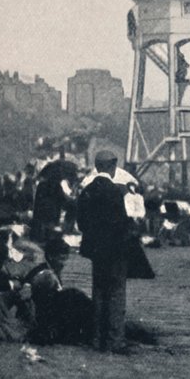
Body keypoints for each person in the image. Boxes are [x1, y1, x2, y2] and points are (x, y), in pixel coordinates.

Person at [76, 151, 134, 353]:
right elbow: (122, 222)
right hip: (115, 250)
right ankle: (115, 340)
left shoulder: (87, 191)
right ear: (113, 166)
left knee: (98, 292)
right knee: (116, 293)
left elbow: (81, 222)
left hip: (96, 250)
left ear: (97, 166)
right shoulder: (116, 191)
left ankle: (96, 338)